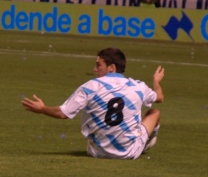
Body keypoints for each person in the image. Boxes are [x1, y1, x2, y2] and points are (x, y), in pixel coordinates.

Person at [21, 48, 165, 160]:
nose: (95, 69)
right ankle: (144, 144)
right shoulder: (138, 86)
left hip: (97, 152)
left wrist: (42, 109)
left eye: (98, 65)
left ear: (111, 68)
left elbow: (62, 113)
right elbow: (159, 98)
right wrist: (156, 81)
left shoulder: (90, 86)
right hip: (129, 153)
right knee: (154, 112)